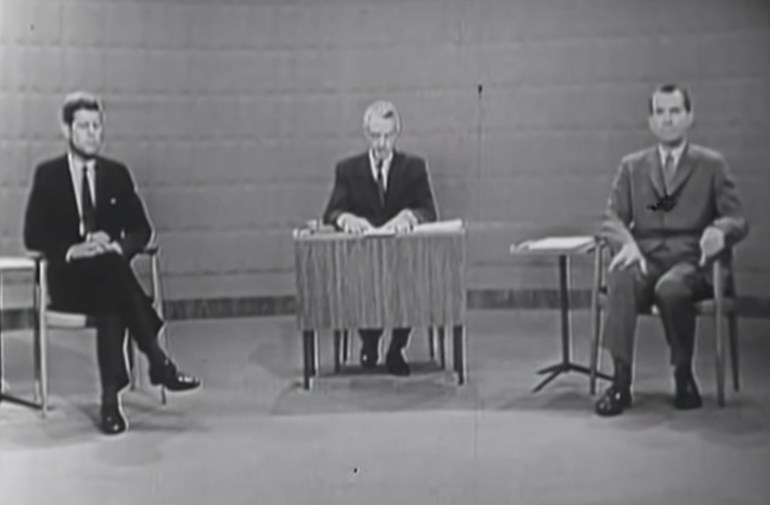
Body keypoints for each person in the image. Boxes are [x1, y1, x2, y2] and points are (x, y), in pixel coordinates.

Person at [24, 92, 201, 435]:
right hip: (69, 284)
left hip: (108, 281)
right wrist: (75, 250)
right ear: (67, 130)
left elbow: (141, 229)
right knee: (114, 282)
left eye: (97, 126)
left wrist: (117, 247)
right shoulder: (49, 175)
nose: (92, 133)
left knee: (111, 281)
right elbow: (34, 236)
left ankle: (111, 404)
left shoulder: (117, 174)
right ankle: (156, 360)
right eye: (84, 126)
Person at [596, 83, 748, 416]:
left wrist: (718, 231)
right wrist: (628, 245)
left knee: (671, 288)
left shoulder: (711, 165)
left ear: (689, 117)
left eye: (675, 112)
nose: (668, 120)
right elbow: (611, 218)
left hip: (692, 260)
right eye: (660, 113)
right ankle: (620, 382)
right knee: (620, 274)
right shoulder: (632, 166)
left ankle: (683, 375)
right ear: (651, 121)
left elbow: (737, 218)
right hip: (645, 256)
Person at [322, 100, 438, 376]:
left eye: (387, 136)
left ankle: (396, 350)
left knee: (408, 285)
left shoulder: (414, 167)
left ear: (397, 133)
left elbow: (429, 211)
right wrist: (345, 219)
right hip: (363, 259)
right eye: (376, 136)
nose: (382, 143)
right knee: (363, 284)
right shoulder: (348, 170)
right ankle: (370, 343)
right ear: (366, 134)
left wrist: (409, 216)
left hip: (402, 258)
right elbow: (331, 212)